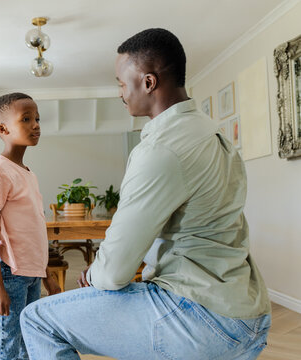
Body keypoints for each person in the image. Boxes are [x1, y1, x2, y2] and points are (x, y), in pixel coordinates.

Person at [20, 28, 271, 360]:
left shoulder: (161, 148)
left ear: (149, 83)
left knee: (37, 319)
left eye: (122, 84)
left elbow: (112, 274)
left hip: (201, 318)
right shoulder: (214, 135)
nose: (120, 93)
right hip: (248, 312)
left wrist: (95, 273)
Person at [0, 92, 61, 360]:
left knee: (28, 339)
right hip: (10, 272)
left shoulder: (28, 174)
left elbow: (35, 229)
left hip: (31, 273)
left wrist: (46, 273)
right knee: (7, 342)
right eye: (26, 119)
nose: (36, 124)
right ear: (3, 129)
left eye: (37, 118)